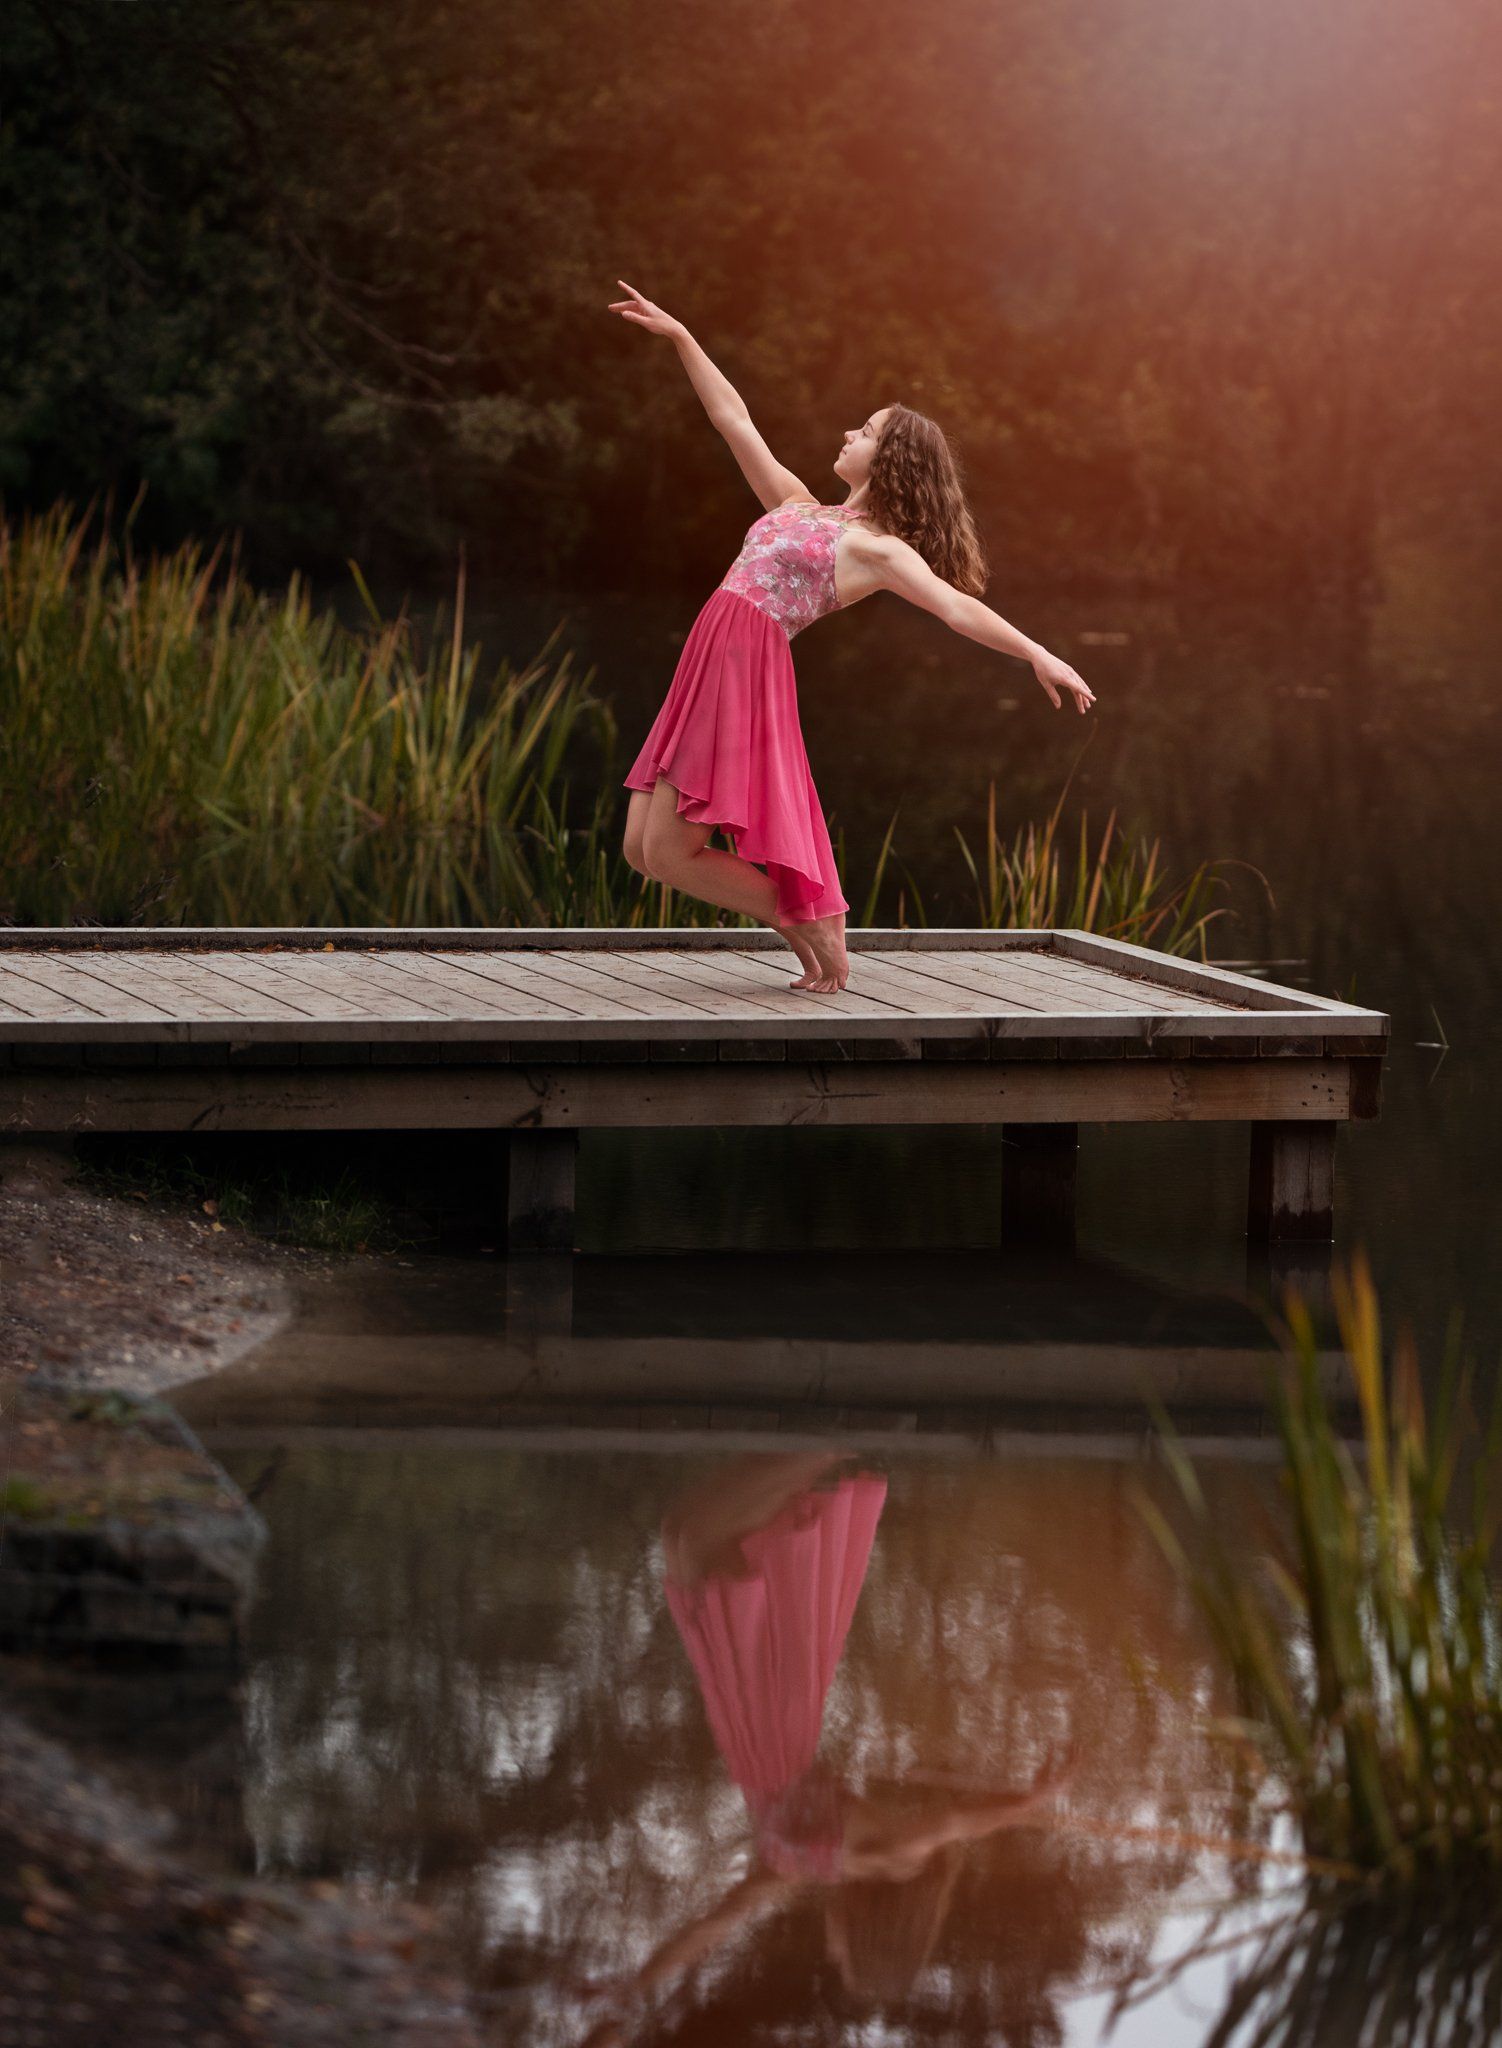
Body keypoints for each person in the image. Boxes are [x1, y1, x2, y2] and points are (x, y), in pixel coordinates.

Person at [608, 280, 1097, 995]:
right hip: (709, 663)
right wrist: (682, 336)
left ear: (891, 459)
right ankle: (809, 928)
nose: (848, 434)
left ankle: (816, 930)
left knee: (671, 854)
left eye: (864, 432)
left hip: (745, 670)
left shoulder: (879, 550)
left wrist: (1038, 652)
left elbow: (958, 609)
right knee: (638, 850)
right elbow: (732, 419)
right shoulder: (798, 504)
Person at [569, 1451, 1075, 2044]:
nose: (831, 1954)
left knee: (689, 1538)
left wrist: (634, 1990)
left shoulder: (804, 1872)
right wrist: (1031, 1801)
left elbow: (710, 1929)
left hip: (750, 1718)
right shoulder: (886, 1856)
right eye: (845, 1960)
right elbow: (957, 1820)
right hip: (775, 1716)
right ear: (873, 1936)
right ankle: (837, 1437)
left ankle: (822, 1441)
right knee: (698, 1539)